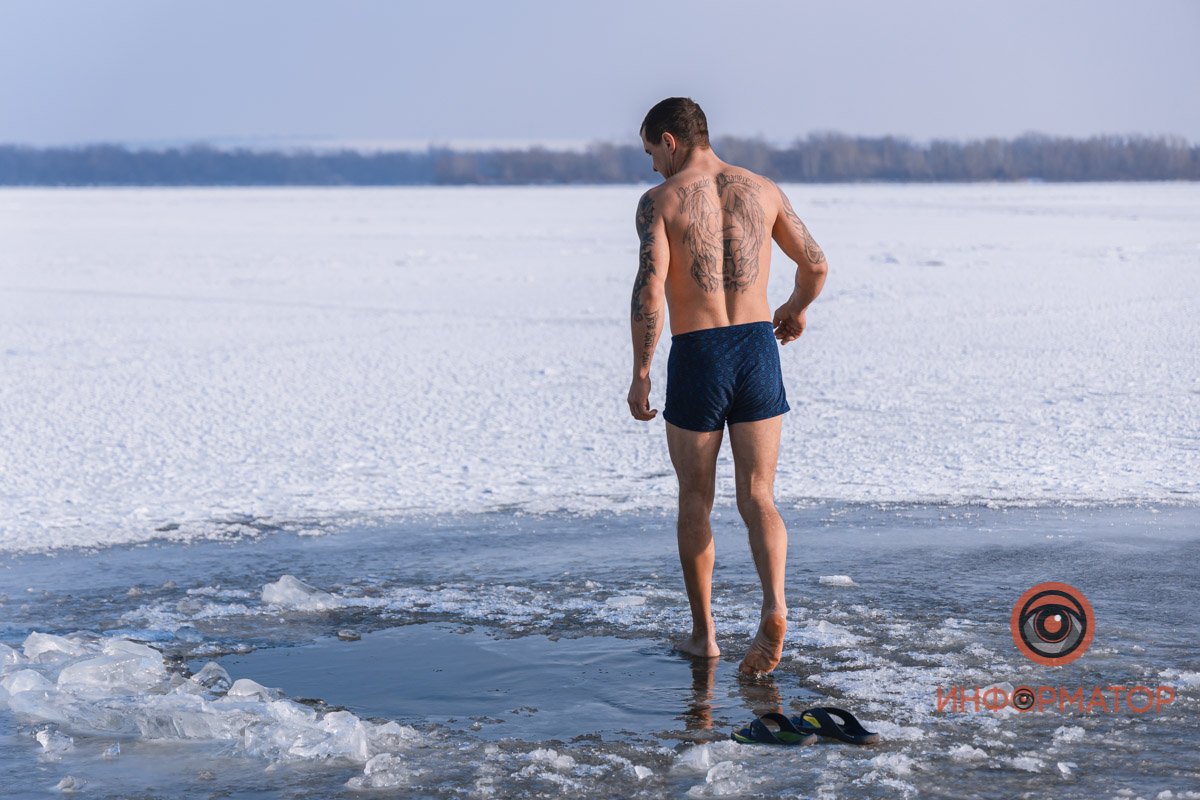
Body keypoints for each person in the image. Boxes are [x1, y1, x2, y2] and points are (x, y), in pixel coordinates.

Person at [626, 97, 828, 675]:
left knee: (696, 498)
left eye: (651, 152)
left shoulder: (659, 201)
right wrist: (795, 308)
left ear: (670, 141)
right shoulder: (763, 189)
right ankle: (775, 605)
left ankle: (704, 636)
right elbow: (815, 264)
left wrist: (641, 371)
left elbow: (650, 289)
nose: (652, 166)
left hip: (699, 354)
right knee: (759, 495)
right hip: (757, 349)